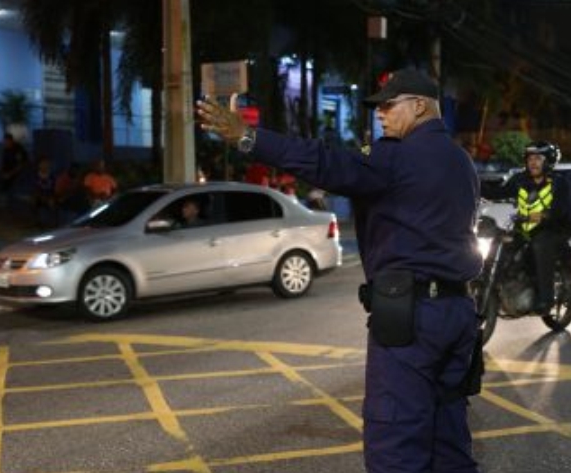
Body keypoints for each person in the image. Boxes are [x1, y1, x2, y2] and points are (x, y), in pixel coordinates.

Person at [197, 67, 482, 473]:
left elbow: (326, 162)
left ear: (420, 106)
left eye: (388, 105)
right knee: (449, 439)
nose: (380, 114)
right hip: (458, 314)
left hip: (411, 320)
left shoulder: (395, 157)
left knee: (397, 443)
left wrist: (249, 137)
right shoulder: (461, 161)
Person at [483, 141, 571, 316]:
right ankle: (497, 283)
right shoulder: (520, 180)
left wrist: (543, 215)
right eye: (530, 158)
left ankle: (546, 299)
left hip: (553, 230)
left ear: (549, 161)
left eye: (538, 158)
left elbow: (561, 211)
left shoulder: (559, 183)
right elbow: (497, 193)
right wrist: (472, 184)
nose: (533, 162)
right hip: (525, 229)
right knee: (499, 242)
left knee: (539, 245)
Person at [0, 133, 28, 205]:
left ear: (11, 141)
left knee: (17, 191)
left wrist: (10, 173)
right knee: (7, 190)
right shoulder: (6, 150)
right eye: (4, 142)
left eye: (7, 141)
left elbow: (21, 164)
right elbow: (4, 163)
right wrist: (4, 173)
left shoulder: (18, 149)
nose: (5, 143)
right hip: (8, 175)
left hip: (18, 175)